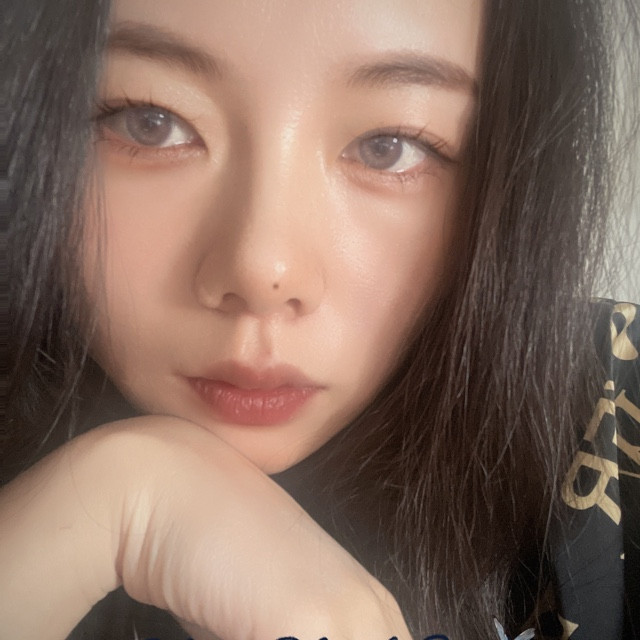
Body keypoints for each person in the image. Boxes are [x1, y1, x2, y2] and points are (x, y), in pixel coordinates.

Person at [2, 0, 639, 639]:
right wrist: (110, 502)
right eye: (151, 124)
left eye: (389, 148)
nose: (262, 272)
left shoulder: (617, 410)